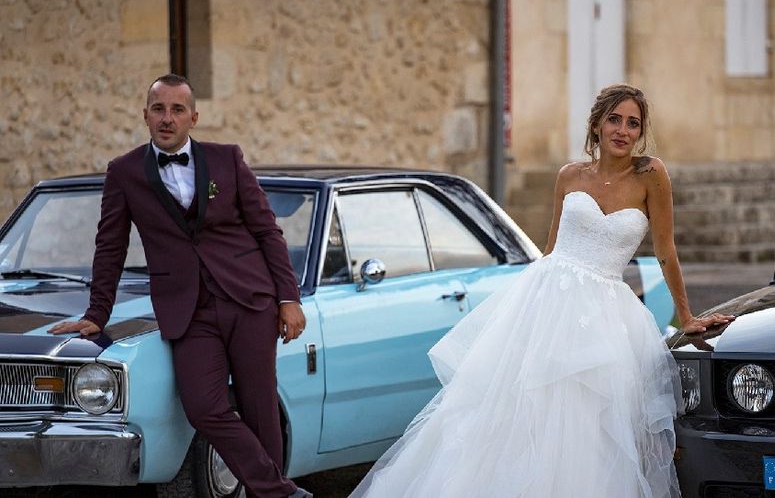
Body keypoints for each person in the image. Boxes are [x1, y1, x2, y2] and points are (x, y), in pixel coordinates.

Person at [349, 83, 733, 497]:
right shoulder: (569, 175)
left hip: (605, 313)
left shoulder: (650, 174)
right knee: (515, 414)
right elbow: (550, 250)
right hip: (546, 302)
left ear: (641, 133)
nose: (623, 130)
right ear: (598, 125)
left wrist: (688, 315)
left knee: (590, 424)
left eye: (633, 123)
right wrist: (525, 313)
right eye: (614, 119)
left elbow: (665, 250)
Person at [49, 74, 314, 498]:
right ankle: (282, 493)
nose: (167, 118)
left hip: (249, 300)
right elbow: (110, 247)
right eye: (158, 109)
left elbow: (268, 232)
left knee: (260, 409)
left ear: (194, 116)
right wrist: (96, 314)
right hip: (187, 311)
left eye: (176, 110)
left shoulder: (227, 159)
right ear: (145, 115)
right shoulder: (124, 172)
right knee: (204, 408)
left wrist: (288, 298)